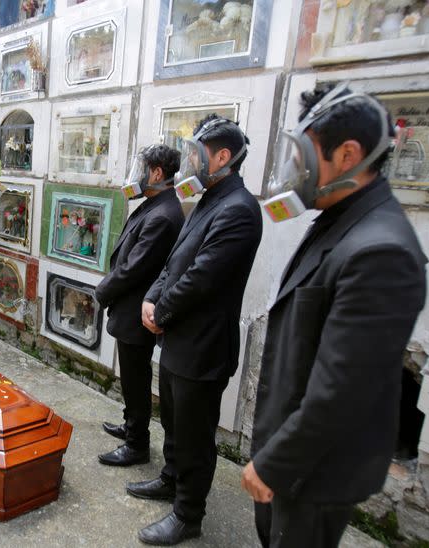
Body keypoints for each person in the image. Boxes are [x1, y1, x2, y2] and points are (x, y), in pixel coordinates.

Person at [242, 84, 427, 548]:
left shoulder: (381, 249)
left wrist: (276, 463)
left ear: (348, 155)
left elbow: (342, 390)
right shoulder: (343, 219)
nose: (295, 170)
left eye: (305, 157)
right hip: (298, 462)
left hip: (315, 472)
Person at [132, 115, 263, 545]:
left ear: (222, 157)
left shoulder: (240, 209)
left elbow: (201, 278)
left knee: (195, 434)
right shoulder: (209, 197)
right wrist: (151, 298)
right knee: (173, 421)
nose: (189, 162)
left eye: (197, 154)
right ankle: (171, 479)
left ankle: (189, 514)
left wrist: (160, 311)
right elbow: (175, 261)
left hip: (204, 346)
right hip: (178, 339)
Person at [95, 144, 184, 467]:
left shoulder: (164, 213)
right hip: (130, 307)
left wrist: (101, 292)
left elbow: (134, 267)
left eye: (141, 169)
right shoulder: (155, 203)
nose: (135, 177)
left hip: (137, 310)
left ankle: (137, 444)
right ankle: (132, 424)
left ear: (157, 173)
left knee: (135, 377)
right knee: (132, 377)